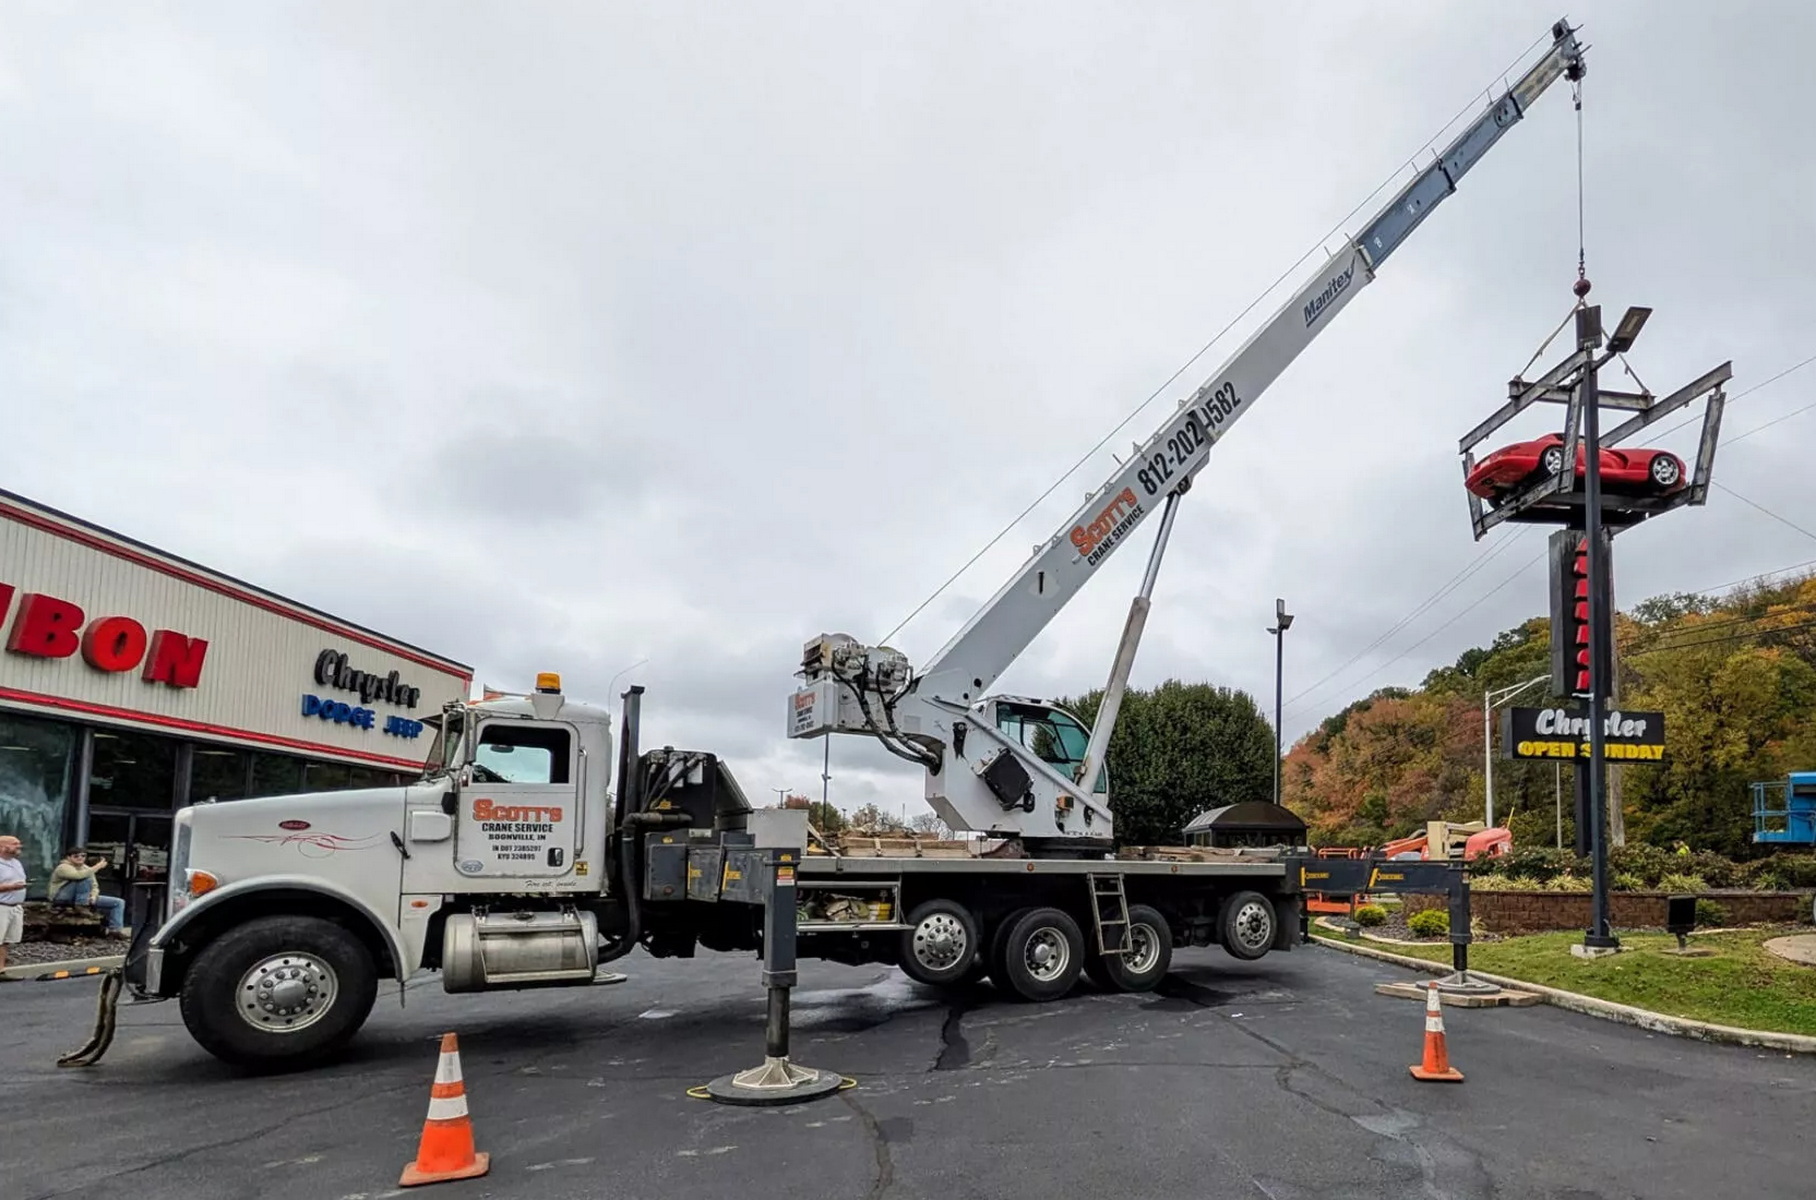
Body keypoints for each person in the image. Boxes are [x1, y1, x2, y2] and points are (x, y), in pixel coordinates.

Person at [47, 847, 128, 936]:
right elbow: (78, 876)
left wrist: (93, 896)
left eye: (83, 856)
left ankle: (115, 931)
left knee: (118, 902)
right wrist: (98, 866)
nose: (80, 858)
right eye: (76, 856)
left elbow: (94, 886)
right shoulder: (63, 867)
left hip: (84, 896)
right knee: (84, 879)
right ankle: (81, 906)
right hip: (62, 897)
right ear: (69, 857)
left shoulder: (86, 868)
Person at [0, 835, 26, 972]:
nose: (19, 846)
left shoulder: (16, 862)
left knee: (6, 941)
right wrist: (11, 887)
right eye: (15, 844)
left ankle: (1, 969)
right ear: (3, 846)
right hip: (1, 906)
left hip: (15, 907)